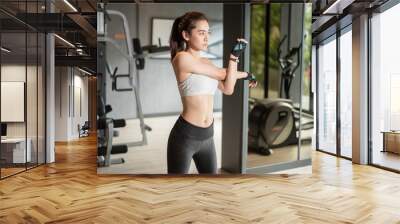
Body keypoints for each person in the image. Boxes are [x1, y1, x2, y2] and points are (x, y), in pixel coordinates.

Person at [168, 11, 257, 174]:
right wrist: (246, 74)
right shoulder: (182, 58)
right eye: (201, 33)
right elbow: (223, 74)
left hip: (208, 136)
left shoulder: (206, 62)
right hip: (185, 137)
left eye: (208, 33)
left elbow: (228, 88)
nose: (206, 38)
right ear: (186, 35)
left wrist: (234, 58)